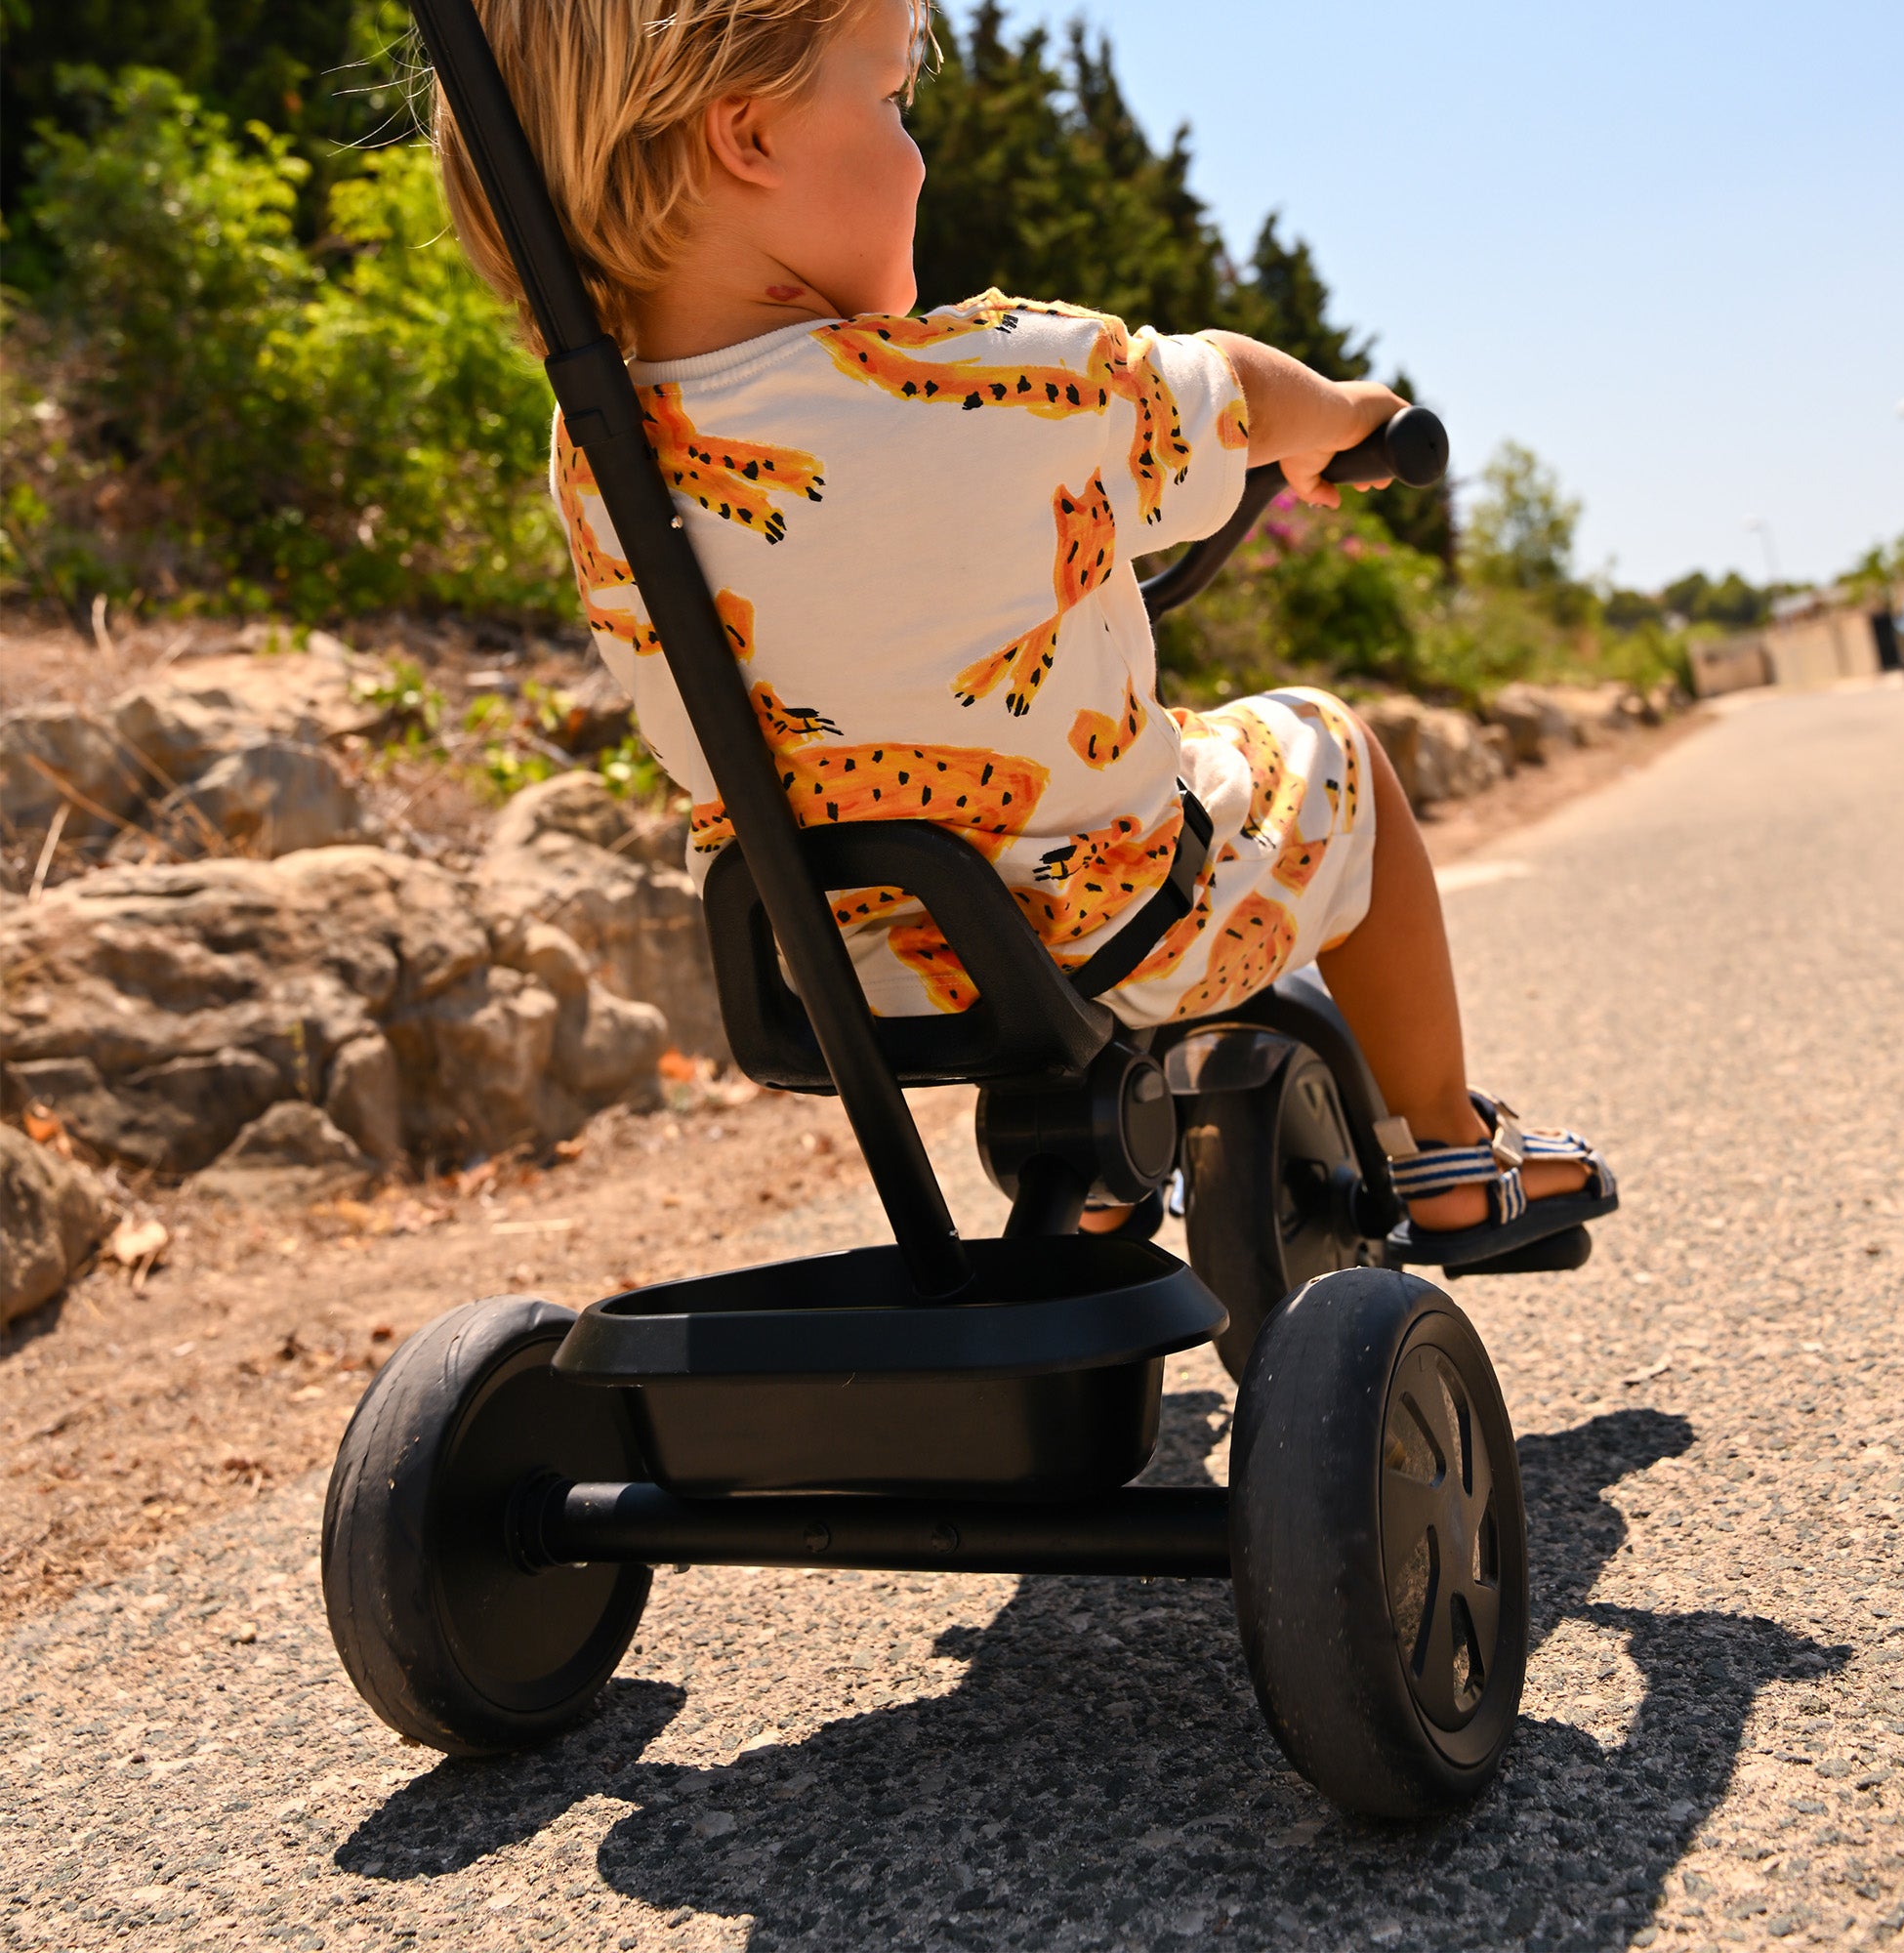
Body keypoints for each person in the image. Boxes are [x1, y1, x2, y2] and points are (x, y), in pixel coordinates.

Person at [434, 0, 1614, 1260]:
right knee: (1330, 751)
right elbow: (1224, 389)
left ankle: (1097, 1182)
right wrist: (1335, 415)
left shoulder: (597, 451)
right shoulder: (993, 383)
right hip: (1111, 917)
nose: (921, 151)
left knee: (1036, 808)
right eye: (891, 101)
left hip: (832, 961)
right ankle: (1442, 1143)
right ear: (749, 138)